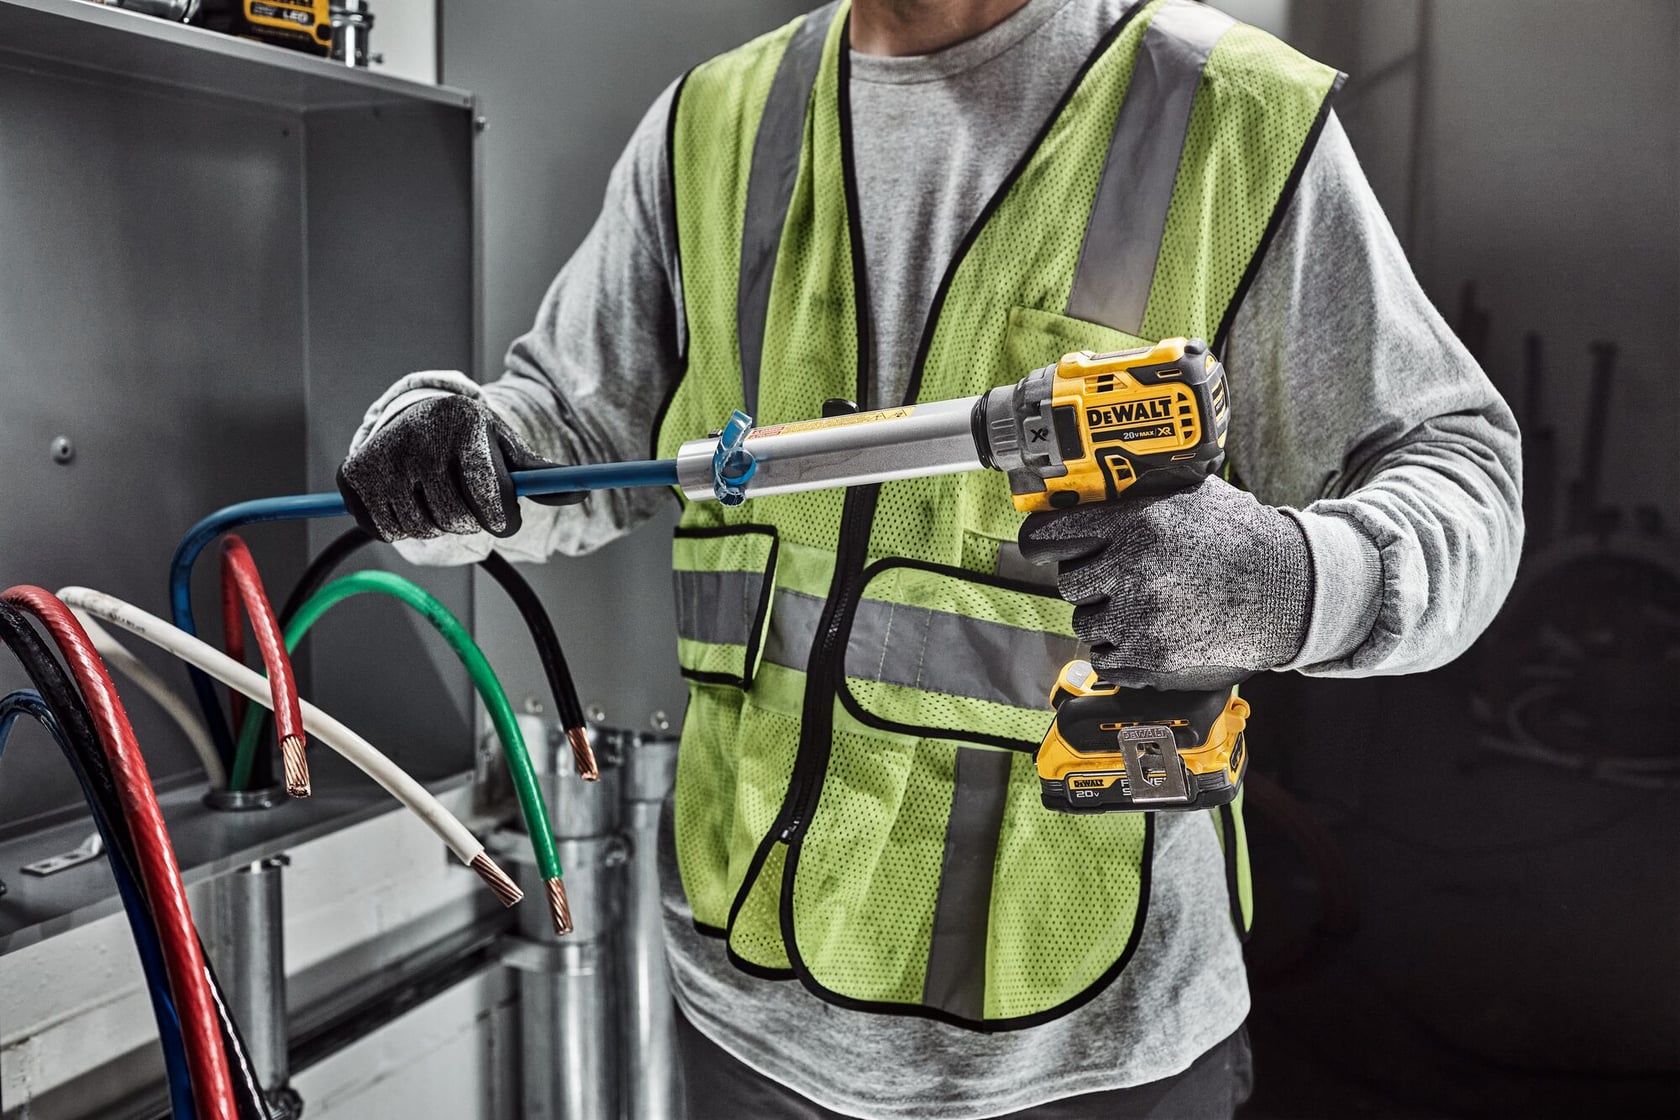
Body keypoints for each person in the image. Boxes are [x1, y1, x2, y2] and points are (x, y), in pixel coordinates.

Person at [336, 0, 1523, 1115]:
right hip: (743, 1018)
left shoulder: (1227, 115)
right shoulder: (715, 122)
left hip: (1088, 1054)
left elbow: (1461, 467)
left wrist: (1290, 582)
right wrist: (464, 449)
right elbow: (575, 429)